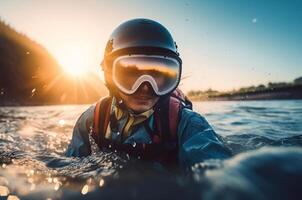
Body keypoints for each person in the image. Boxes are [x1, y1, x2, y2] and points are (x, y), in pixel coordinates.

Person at [65, 18, 231, 169]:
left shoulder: (187, 123)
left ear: (171, 79)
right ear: (110, 75)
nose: (145, 88)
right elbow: (71, 168)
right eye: (130, 75)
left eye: (157, 76)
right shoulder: (92, 119)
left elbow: (217, 171)